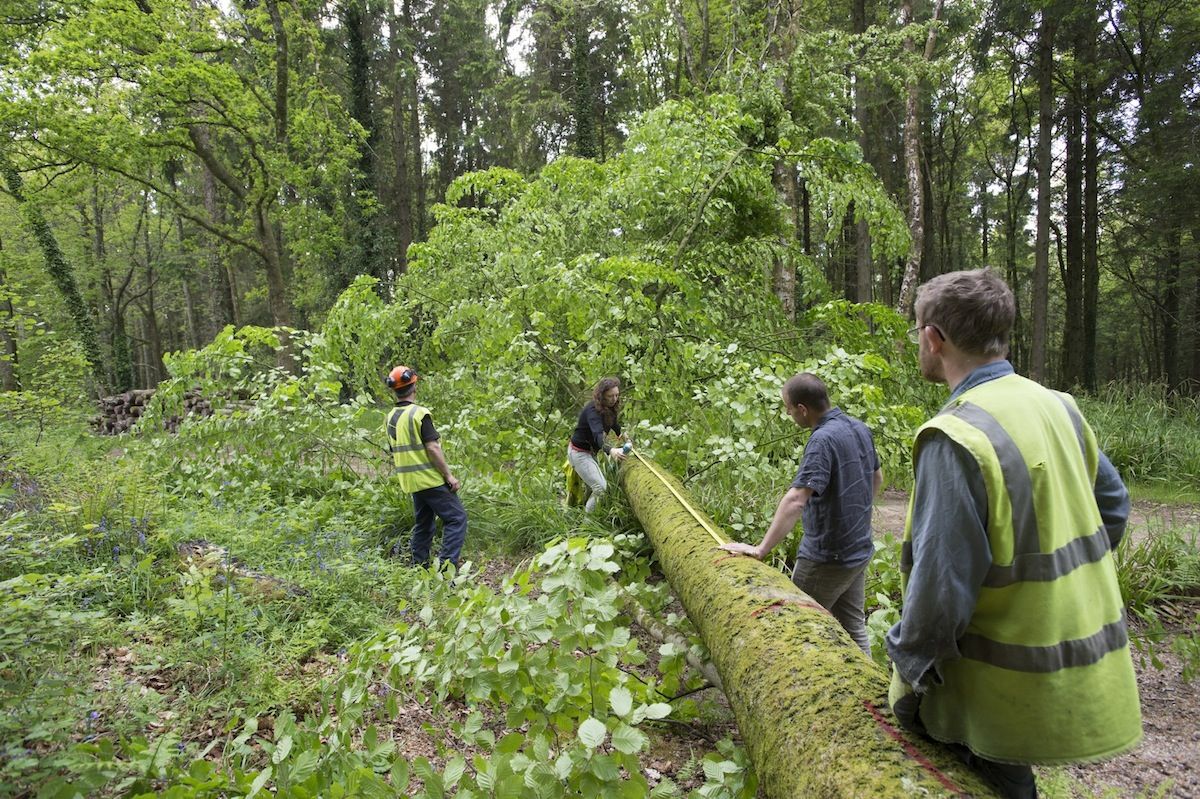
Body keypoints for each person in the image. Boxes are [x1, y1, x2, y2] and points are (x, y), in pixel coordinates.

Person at [885, 269, 1141, 799]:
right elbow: (1112, 510)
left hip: (996, 688)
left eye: (917, 331)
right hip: (1080, 670)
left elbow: (938, 591)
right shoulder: (1058, 405)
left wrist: (908, 676)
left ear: (935, 338)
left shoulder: (955, 436)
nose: (918, 342)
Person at [719, 372, 882, 656]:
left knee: (794, 627)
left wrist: (760, 549)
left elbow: (796, 499)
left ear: (802, 409)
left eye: (789, 408)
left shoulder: (822, 440)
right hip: (858, 548)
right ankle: (871, 695)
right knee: (853, 628)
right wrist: (854, 518)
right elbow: (877, 477)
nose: (788, 413)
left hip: (826, 556)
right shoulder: (858, 428)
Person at [383, 365, 467, 568]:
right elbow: (432, 447)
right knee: (457, 519)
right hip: (430, 478)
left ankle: (419, 568)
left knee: (424, 524)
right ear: (414, 387)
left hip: (411, 481)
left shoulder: (391, 417)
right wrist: (449, 476)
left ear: (394, 390)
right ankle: (447, 570)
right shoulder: (419, 414)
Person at [568, 376, 628, 512]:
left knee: (592, 488)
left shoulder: (610, 407)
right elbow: (598, 436)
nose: (614, 399)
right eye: (610, 396)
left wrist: (621, 434)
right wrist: (611, 450)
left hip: (589, 452)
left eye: (617, 395)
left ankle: (577, 514)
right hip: (579, 454)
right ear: (602, 396)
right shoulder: (593, 411)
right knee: (601, 488)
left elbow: (613, 422)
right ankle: (585, 528)